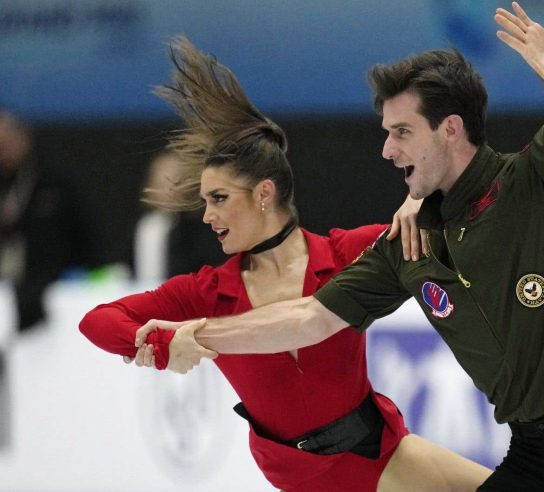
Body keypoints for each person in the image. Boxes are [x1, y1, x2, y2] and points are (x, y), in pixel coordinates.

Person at [134, 3, 544, 491]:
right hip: (536, 456)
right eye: (385, 133)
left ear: (450, 128)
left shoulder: (530, 184)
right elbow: (309, 319)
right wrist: (201, 334)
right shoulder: (408, 243)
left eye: (401, 132)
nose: (387, 150)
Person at [79, 37, 491, 492]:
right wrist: (164, 346)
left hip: (379, 455)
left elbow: (464, 226)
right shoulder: (207, 294)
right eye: (204, 202)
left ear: (263, 194)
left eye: (219, 199)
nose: (208, 215)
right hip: (303, 479)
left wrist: (422, 206)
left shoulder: (345, 253)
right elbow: (97, 321)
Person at [0, 110, 81, 331]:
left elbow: (79, 234)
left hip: (49, 285)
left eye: (7, 142)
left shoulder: (53, 183)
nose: (3, 151)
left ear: (24, 138)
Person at [133, 149, 227, 282]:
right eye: (159, 184)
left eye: (172, 185)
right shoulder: (143, 225)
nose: (166, 191)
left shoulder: (198, 230)